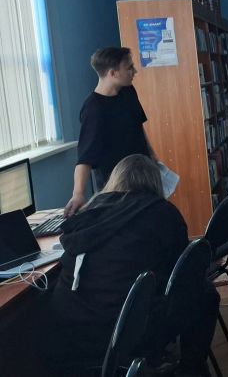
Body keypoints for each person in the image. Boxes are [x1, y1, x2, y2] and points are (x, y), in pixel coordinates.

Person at [40, 154, 191, 376]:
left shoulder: (87, 215)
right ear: (155, 182)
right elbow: (182, 270)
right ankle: (190, 368)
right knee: (201, 295)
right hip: (125, 331)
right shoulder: (164, 213)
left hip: (71, 331)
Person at [65, 47, 156, 217]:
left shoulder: (128, 91)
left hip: (143, 175)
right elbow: (85, 157)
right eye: (129, 68)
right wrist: (78, 194)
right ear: (113, 73)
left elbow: (138, 127)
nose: (134, 71)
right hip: (116, 187)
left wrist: (153, 157)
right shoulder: (93, 109)